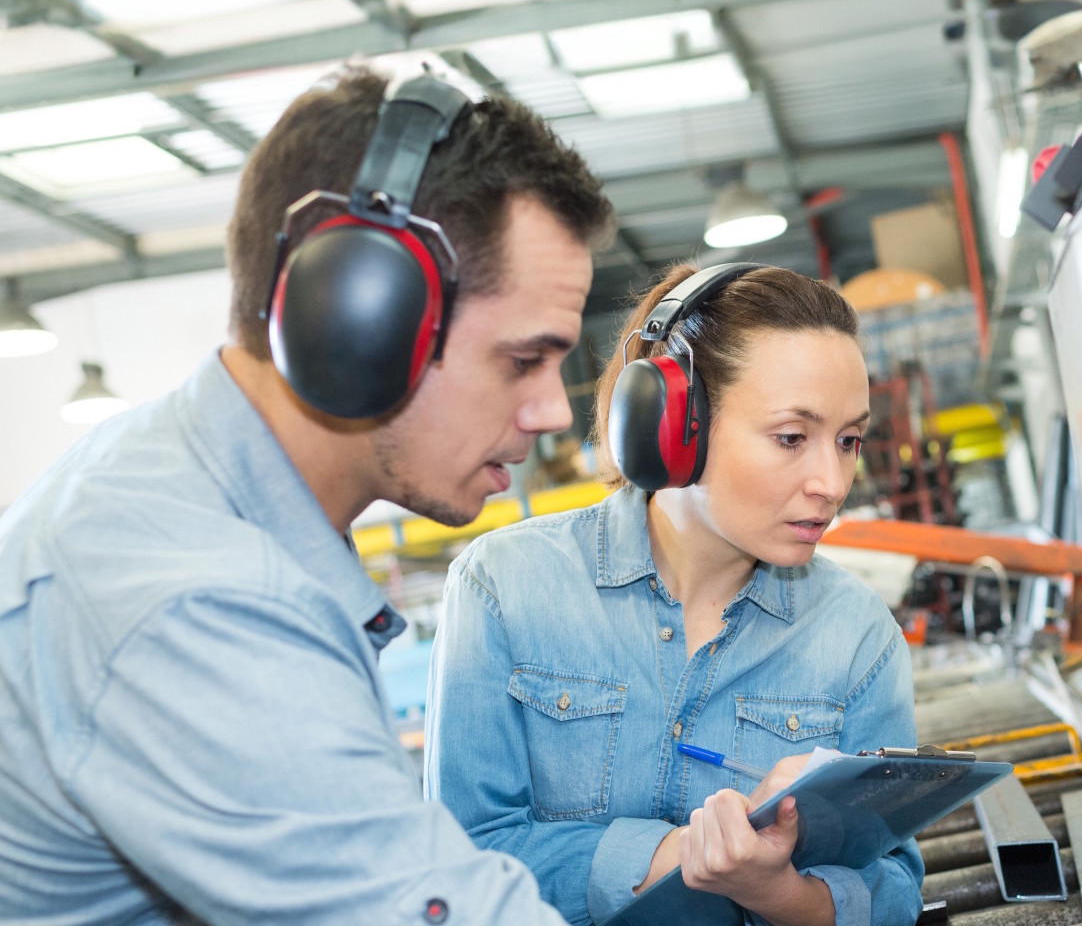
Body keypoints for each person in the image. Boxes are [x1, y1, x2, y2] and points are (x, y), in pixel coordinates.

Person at [0, 70, 613, 924]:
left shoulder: (179, 481)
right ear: (359, 320)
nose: (553, 412)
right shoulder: (194, 602)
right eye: (523, 360)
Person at [425, 263, 924, 926]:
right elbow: (460, 861)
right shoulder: (504, 588)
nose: (832, 483)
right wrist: (683, 854)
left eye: (849, 441)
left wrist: (772, 890)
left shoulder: (859, 637)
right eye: (791, 438)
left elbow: (892, 890)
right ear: (673, 423)